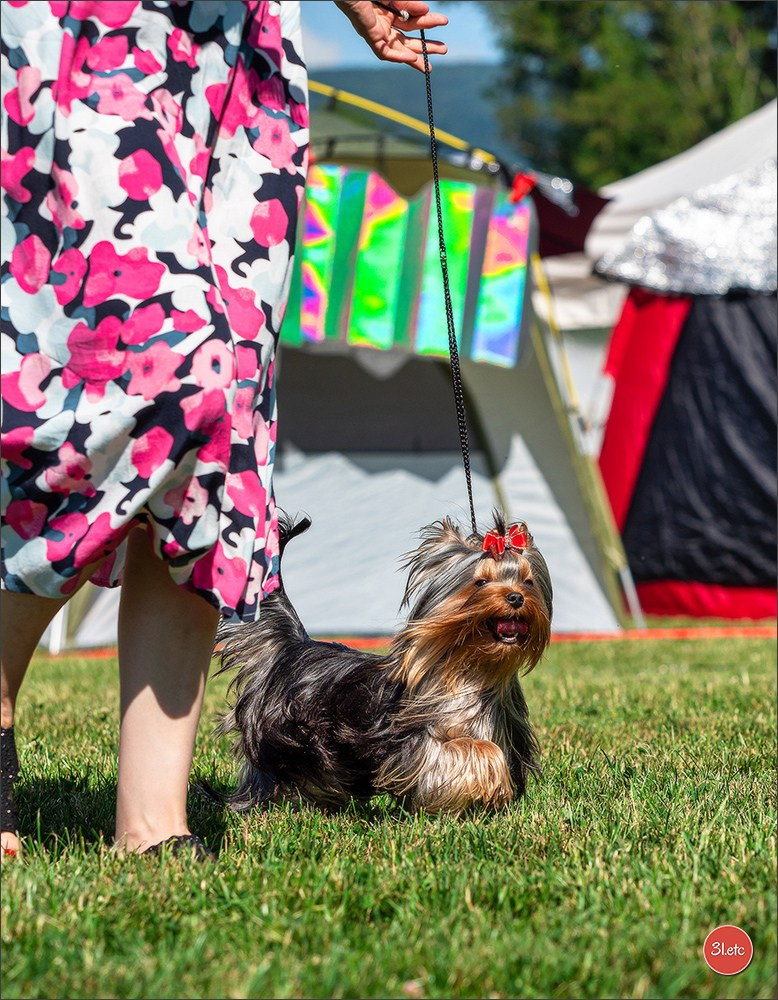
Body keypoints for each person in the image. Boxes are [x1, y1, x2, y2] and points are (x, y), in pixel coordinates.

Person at [0, 0, 448, 861]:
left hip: (239, 54)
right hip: (94, 26)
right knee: (143, 369)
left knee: (226, 417)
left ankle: (153, 822)